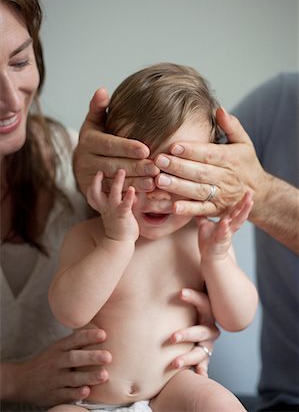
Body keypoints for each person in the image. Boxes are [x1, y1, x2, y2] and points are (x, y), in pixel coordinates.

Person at [0, 0, 219, 409]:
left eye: (19, 60)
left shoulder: (88, 164)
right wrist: (14, 381)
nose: (9, 97)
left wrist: (199, 313)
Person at [74, 72, 299, 412]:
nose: (158, 191)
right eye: (140, 172)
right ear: (109, 162)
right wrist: (116, 242)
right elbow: (70, 312)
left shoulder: (201, 239)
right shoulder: (89, 235)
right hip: (93, 399)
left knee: (223, 405)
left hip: (173, 390)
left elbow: (238, 318)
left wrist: (218, 260)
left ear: (207, 170)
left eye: (178, 173)